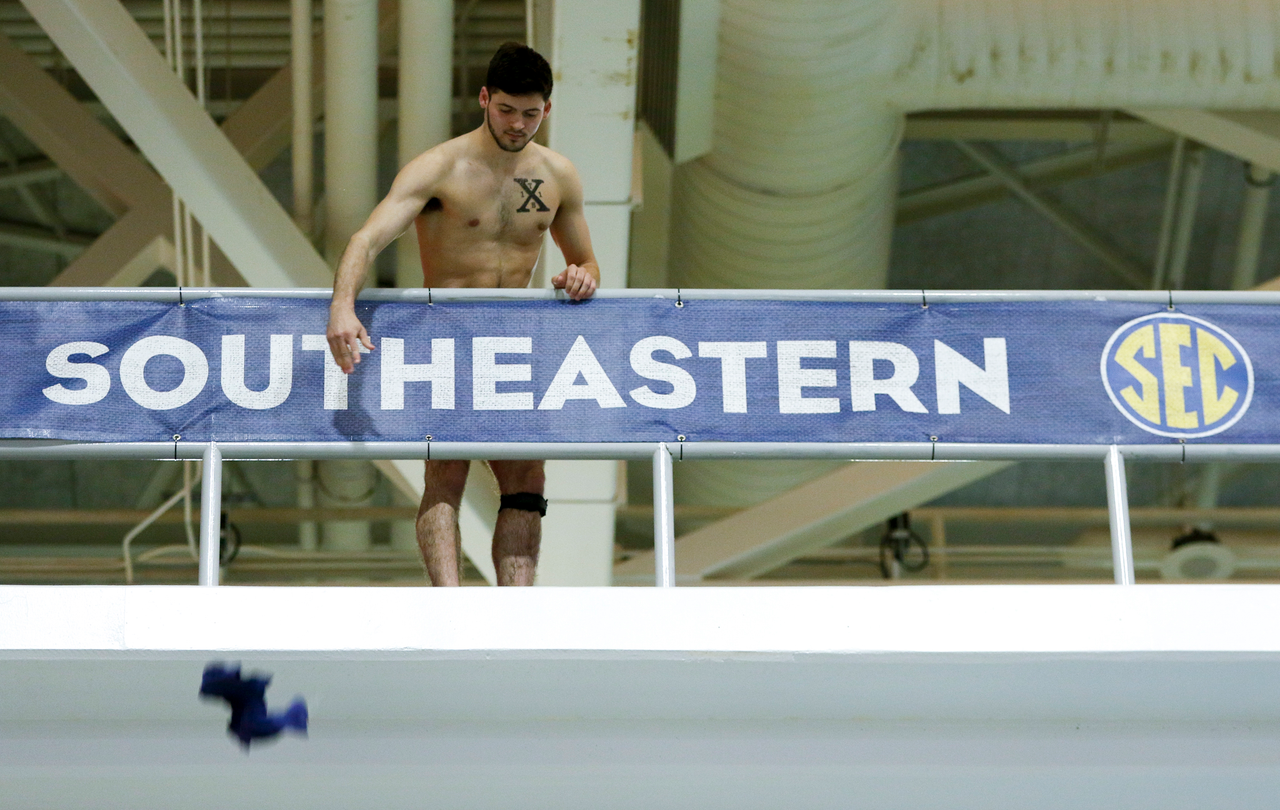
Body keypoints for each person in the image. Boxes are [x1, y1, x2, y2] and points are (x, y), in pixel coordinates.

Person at [325, 42, 600, 586]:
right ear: (483, 99)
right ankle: (449, 607)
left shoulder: (558, 176)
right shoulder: (440, 167)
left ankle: (515, 612)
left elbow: (585, 261)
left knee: (526, 478)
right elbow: (365, 239)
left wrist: (582, 276)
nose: (518, 124)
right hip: (446, 335)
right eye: (506, 110)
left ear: (547, 109)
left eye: (530, 113)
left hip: (516, 340)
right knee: (446, 468)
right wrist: (342, 307)